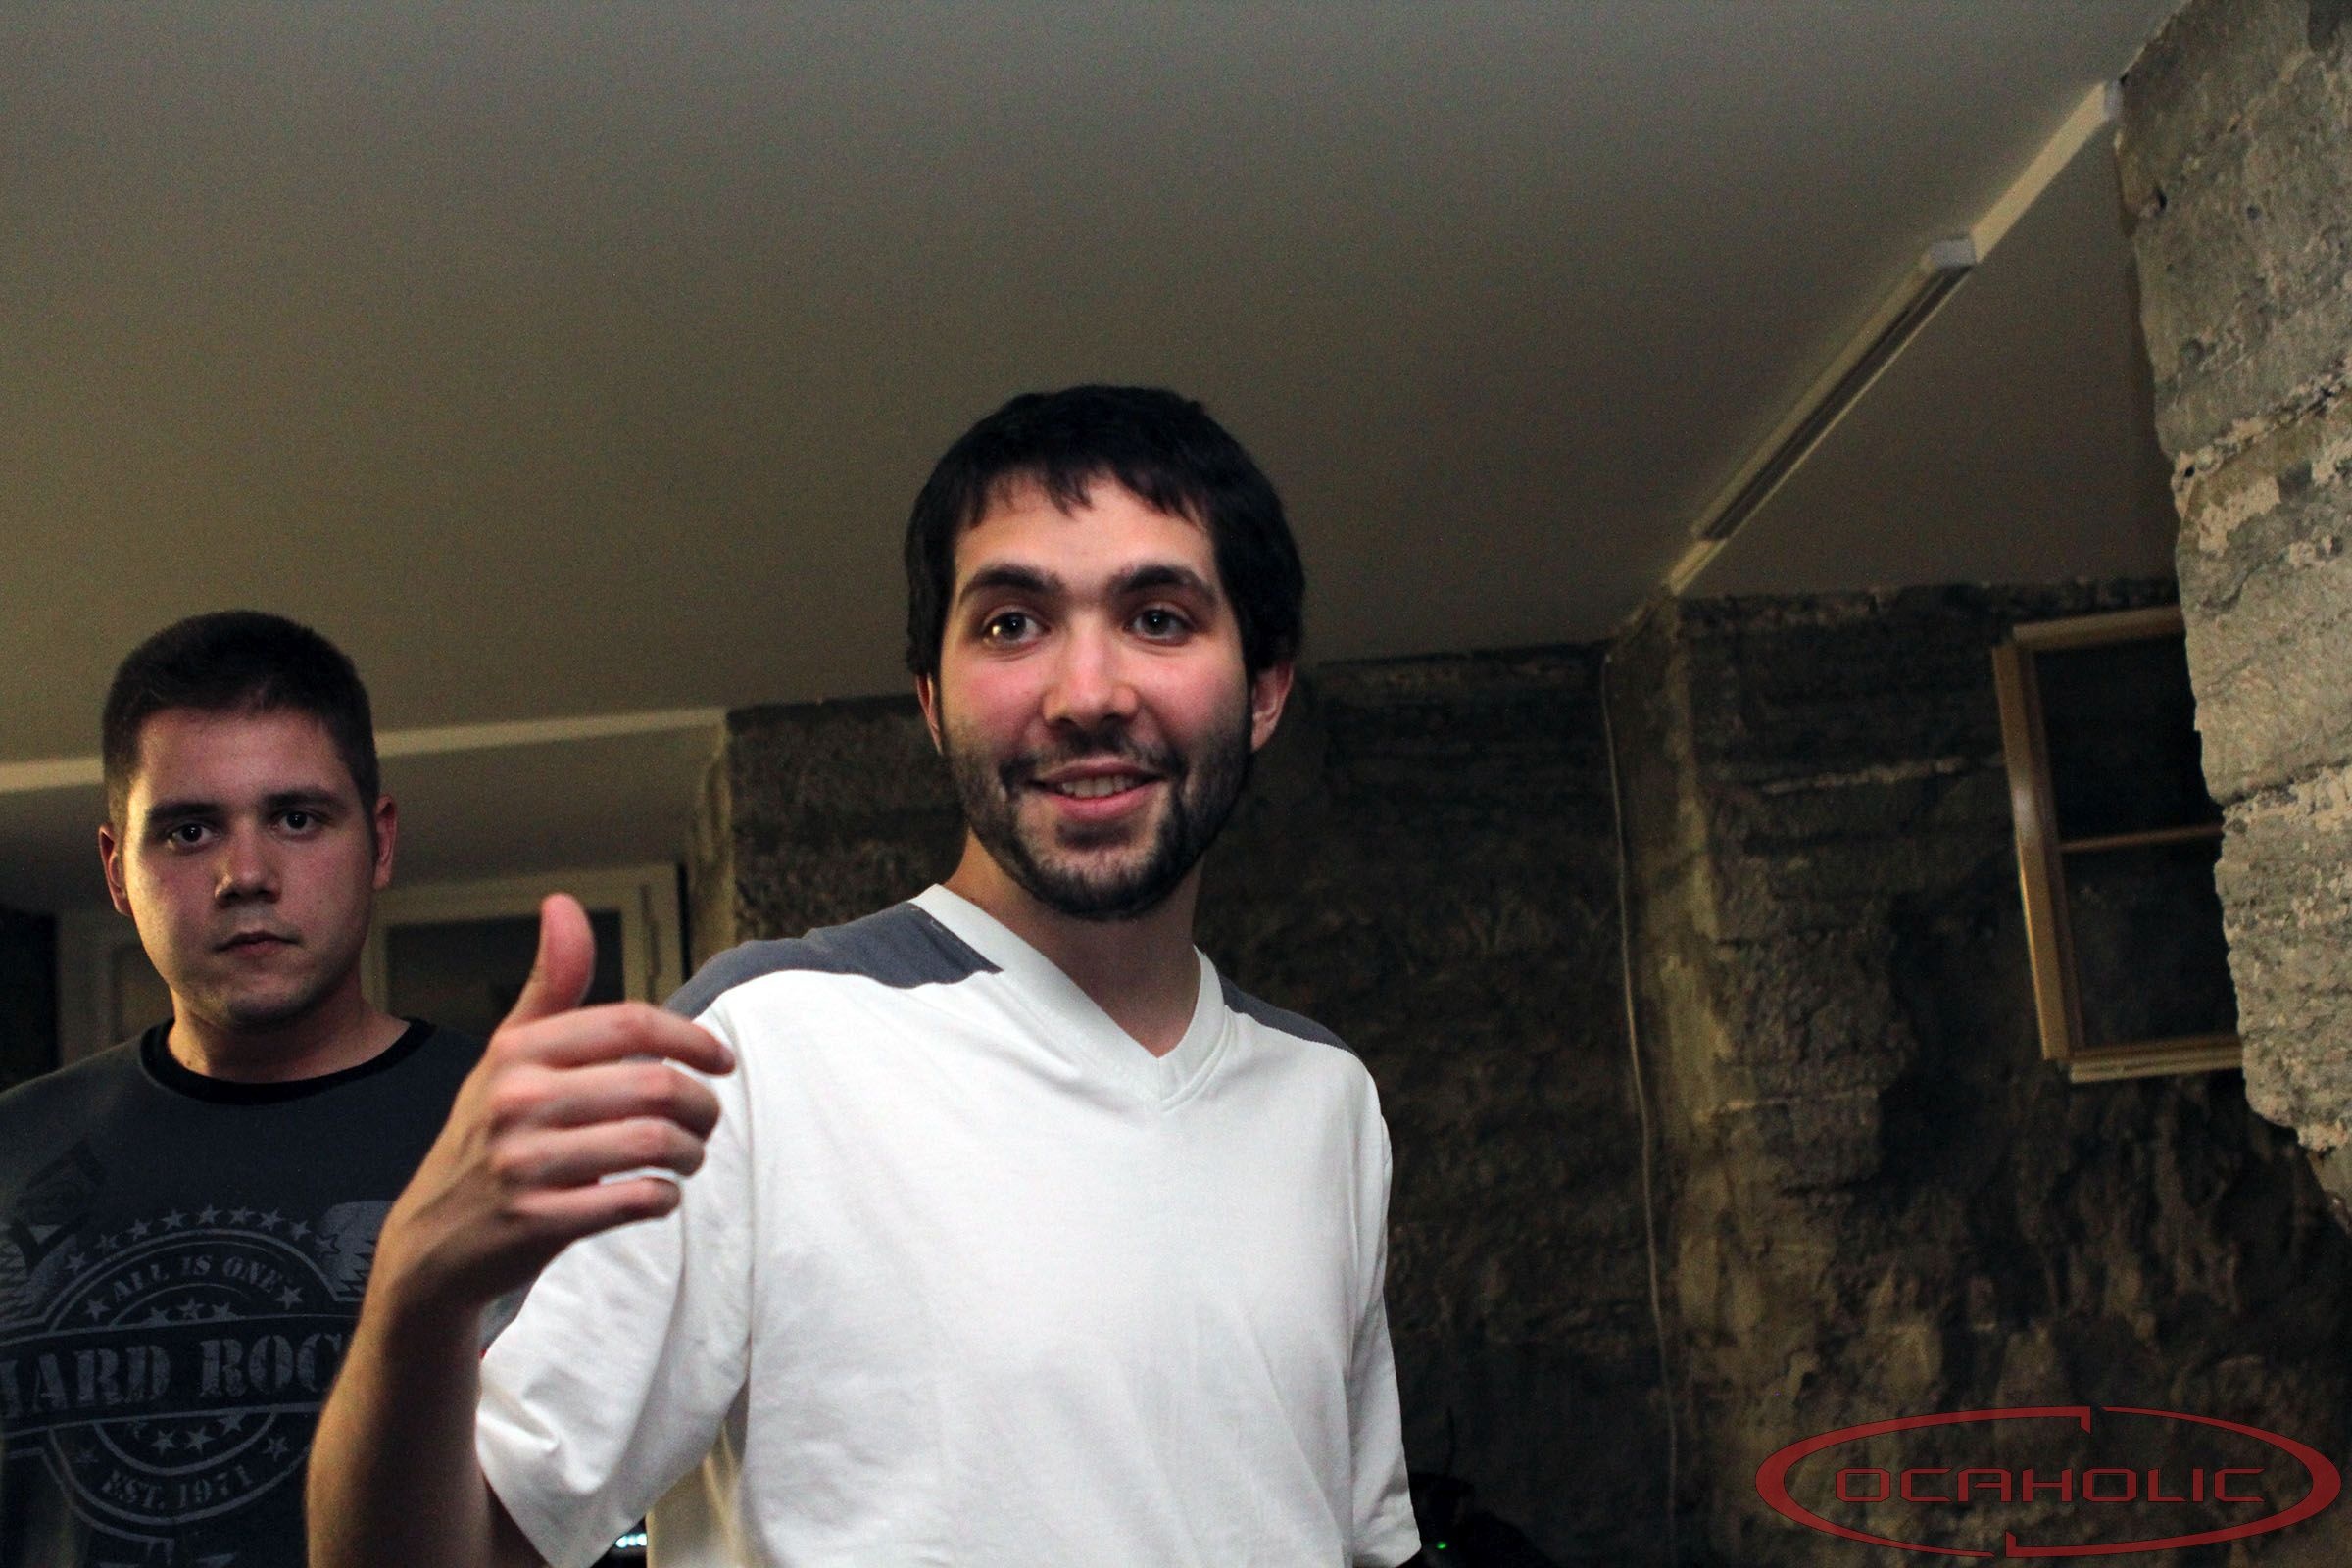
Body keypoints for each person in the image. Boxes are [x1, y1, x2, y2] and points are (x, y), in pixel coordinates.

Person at [312, 386, 1422, 1567]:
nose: (1087, 694)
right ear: (932, 699)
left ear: (1264, 688)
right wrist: (416, 1290)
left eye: (1158, 617)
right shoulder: (758, 1047)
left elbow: (1363, 1537)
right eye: (1012, 624)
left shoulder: (1326, 1098)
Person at [0, 612, 482, 1566]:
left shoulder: (506, 1134)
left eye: (297, 818)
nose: (246, 874)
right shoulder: (13, 1153)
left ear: (380, 842)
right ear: (116, 872)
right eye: (189, 831)